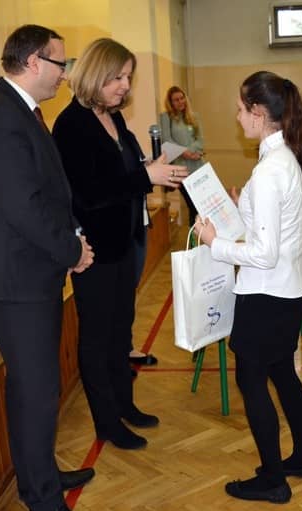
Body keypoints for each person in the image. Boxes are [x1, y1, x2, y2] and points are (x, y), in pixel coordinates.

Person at [0, 25, 99, 511]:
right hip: (14, 280)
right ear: (35, 62)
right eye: (62, 63)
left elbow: (49, 192)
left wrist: (72, 239)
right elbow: (24, 208)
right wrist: (71, 250)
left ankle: (41, 476)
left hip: (29, 272)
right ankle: (44, 506)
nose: (66, 74)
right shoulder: (0, 118)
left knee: (36, 388)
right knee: (35, 391)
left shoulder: (20, 111)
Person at [52, 38, 186, 451]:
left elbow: (125, 172)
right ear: (96, 74)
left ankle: (124, 405)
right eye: (118, 78)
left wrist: (151, 169)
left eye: (128, 77)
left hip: (124, 242)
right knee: (97, 339)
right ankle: (107, 422)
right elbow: (87, 194)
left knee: (120, 333)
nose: (125, 86)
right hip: (94, 251)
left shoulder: (113, 118)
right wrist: (146, 178)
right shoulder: (72, 125)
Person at [195, 71, 302, 503]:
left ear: (259, 113)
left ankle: (272, 480)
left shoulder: (270, 169)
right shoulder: (287, 156)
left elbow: (265, 253)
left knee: (252, 380)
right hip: (290, 290)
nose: (236, 116)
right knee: (282, 371)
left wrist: (214, 243)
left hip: (268, 293)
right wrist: (241, 208)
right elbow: (276, 227)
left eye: (240, 109)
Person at [159, 85, 204, 225]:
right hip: (181, 169)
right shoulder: (166, 117)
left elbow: (200, 140)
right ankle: (193, 236)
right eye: (176, 100)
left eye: (182, 98)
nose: (180, 102)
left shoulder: (193, 116)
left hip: (197, 166)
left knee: (200, 206)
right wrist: (185, 153)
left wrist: (190, 152)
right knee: (193, 205)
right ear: (170, 102)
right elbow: (167, 140)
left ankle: (198, 235)